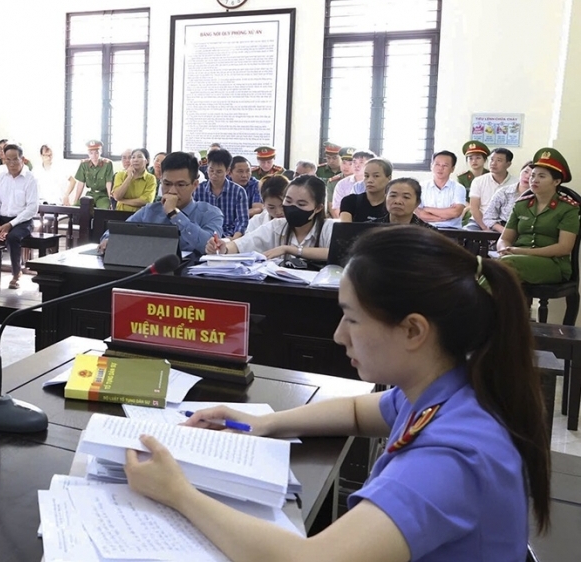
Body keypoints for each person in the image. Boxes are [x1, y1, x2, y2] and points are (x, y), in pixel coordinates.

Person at [128, 225, 551, 562]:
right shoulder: (446, 389)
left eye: (351, 318)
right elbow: (357, 412)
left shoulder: (452, 457)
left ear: (413, 330)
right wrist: (266, 422)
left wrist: (178, 493)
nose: (338, 335)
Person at [99, 152, 222, 255]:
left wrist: (174, 214)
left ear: (195, 185)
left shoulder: (210, 213)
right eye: (167, 184)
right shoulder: (150, 211)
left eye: (180, 185)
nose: (172, 191)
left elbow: (211, 247)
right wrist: (108, 241)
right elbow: (115, 232)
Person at [497, 147, 579, 284]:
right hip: (515, 259)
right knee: (496, 268)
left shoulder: (568, 208)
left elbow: (564, 248)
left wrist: (522, 252)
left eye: (541, 176)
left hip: (552, 264)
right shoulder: (521, 205)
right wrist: (504, 250)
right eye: (533, 175)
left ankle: (474, 298)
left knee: (502, 267)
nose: (534, 180)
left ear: (556, 181)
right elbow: (504, 238)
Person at [209, 175, 333, 262]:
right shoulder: (276, 226)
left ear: (318, 208)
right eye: (288, 201)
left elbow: (338, 253)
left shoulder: (329, 228)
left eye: (301, 204)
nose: (292, 208)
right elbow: (240, 245)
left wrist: (289, 249)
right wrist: (223, 249)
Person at [0, 143, 39, 290]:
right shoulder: (1, 177)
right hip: (2, 219)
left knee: (13, 237)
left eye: (15, 159)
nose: (11, 163)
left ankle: (16, 273)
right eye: (8, 159)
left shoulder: (30, 179)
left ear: (22, 159)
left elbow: (32, 208)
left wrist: (10, 224)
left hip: (22, 221)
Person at [192, 148, 249, 238]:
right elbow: (193, 218)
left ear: (227, 171)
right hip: (204, 236)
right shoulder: (198, 189)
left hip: (229, 236)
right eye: (211, 170)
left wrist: (233, 239)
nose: (214, 175)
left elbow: (242, 221)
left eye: (219, 172)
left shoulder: (239, 192)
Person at [466, 148, 517, 230]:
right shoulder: (478, 181)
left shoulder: (516, 183)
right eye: (492, 159)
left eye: (499, 160)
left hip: (505, 223)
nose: (493, 163)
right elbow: (474, 208)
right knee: (468, 232)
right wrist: (485, 228)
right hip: (479, 221)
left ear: (508, 164)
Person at [416, 150, 466, 229]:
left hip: (451, 230)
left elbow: (455, 212)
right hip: (425, 229)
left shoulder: (458, 188)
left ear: (452, 169)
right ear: (431, 166)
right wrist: (443, 215)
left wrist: (427, 209)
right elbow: (419, 213)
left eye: (445, 165)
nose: (440, 168)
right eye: (437, 164)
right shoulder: (421, 187)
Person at [484, 161, 533, 233]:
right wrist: (504, 231)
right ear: (520, 171)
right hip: (502, 232)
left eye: (532, 175)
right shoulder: (503, 192)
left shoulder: (539, 196)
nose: (527, 176)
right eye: (526, 172)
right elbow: (488, 217)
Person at [340, 158, 391, 223]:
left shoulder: (393, 204)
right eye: (366, 176)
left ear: (389, 178)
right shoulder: (350, 201)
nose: (370, 180)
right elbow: (345, 227)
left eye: (376, 176)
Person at [67, 140, 114, 209]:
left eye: (96, 152)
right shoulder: (84, 164)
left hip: (103, 196)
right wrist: (75, 201)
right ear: (88, 153)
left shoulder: (107, 164)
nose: (94, 156)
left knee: (104, 210)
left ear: (100, 152)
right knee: (76, 209)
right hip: (91, 194)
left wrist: (111, 200)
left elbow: (108, 183)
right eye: (91, 153)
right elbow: (81, 183)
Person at [331, 149, 375, 218]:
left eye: (361, 162)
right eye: (354, 162)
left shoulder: (375, 183)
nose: (356, 165)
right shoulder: (342, 184)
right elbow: (337, 208)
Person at [111, 148, 157, 212]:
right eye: (133, 157)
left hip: (141, 214)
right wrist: (129, 177)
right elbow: (117, 196)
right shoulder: (120, 175)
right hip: (121, 212)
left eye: (139, 157)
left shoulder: (151, 178)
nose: (135, 160)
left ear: (147, 161)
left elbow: (146, 201)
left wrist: (123, 200)